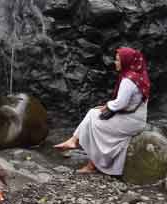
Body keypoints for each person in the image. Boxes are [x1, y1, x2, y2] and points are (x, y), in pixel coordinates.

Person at [53, 47, 151, 175]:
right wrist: (108, 106)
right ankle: (74, 141)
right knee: (92, 113)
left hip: (130, 122)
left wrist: (107, 106)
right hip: (136, 118)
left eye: (118, 60)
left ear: (126, 61)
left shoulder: (128, 80)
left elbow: (120, 103)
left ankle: (90, 163)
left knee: (94, 126)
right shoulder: (139, 76)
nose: (115, 63)